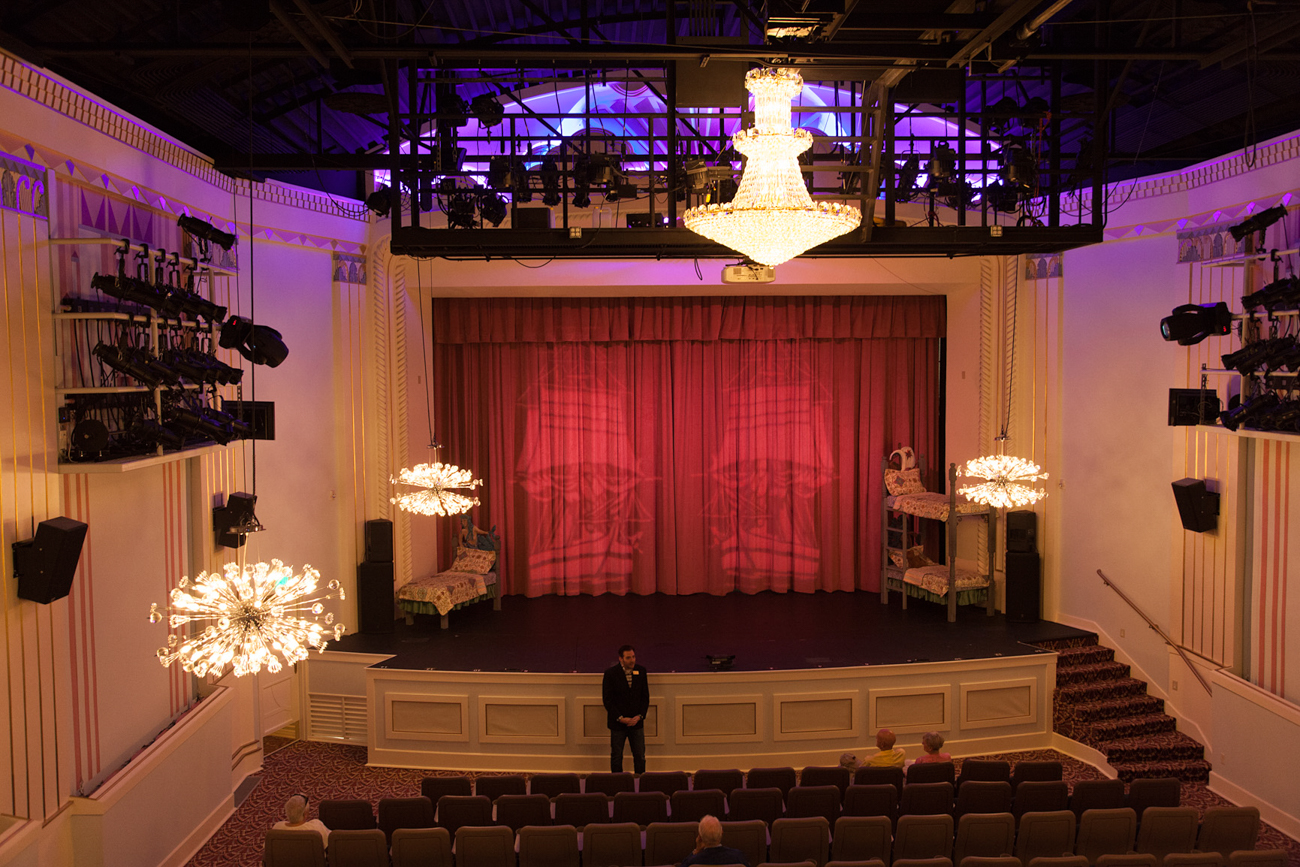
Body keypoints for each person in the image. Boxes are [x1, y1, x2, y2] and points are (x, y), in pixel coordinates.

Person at [602, 644, 649, 773]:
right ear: (621, 659)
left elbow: (645, 697)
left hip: (636, 722)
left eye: (633, 657)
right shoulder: (610, 674)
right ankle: (618, 785)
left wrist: (640, 716)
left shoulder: (641, 671)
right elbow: (608, 700)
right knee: (616, 756)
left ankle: (640, 785)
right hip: (618, 724)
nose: (632, 660)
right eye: (628, 658)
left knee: (640, 756)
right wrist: (621, 718)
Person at [680, 815, 750, 867]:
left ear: (700, 838)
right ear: (721, 832)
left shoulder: (693, 862)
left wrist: (697, 851)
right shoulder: (738, 857)